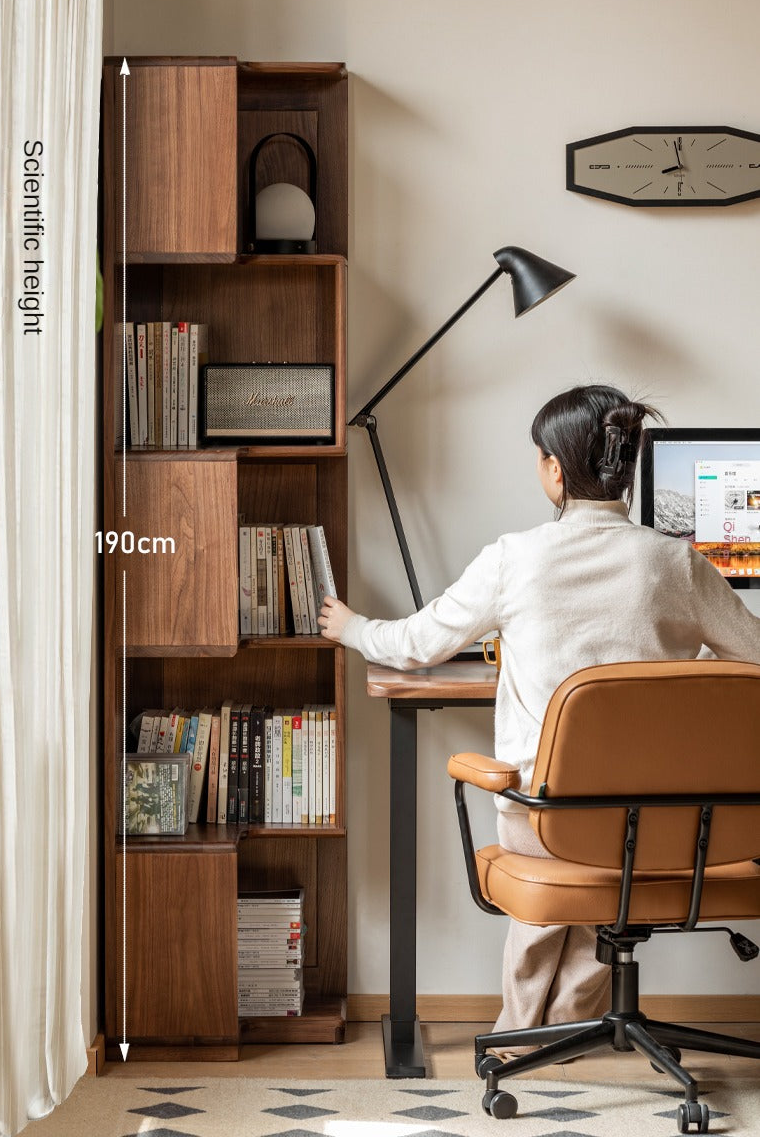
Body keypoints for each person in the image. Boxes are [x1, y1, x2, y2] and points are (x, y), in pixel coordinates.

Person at [318, 384, 760, 1049]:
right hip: (667, 827)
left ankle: (525, 1034)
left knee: (567, 840)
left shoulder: (515, 558)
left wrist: (351, 627)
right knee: (615, 853)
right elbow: (751, 660)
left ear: (554, 470)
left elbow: (416, 646)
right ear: (629, 462)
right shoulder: (678, 562)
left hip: (547, 821)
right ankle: (571, 1025)